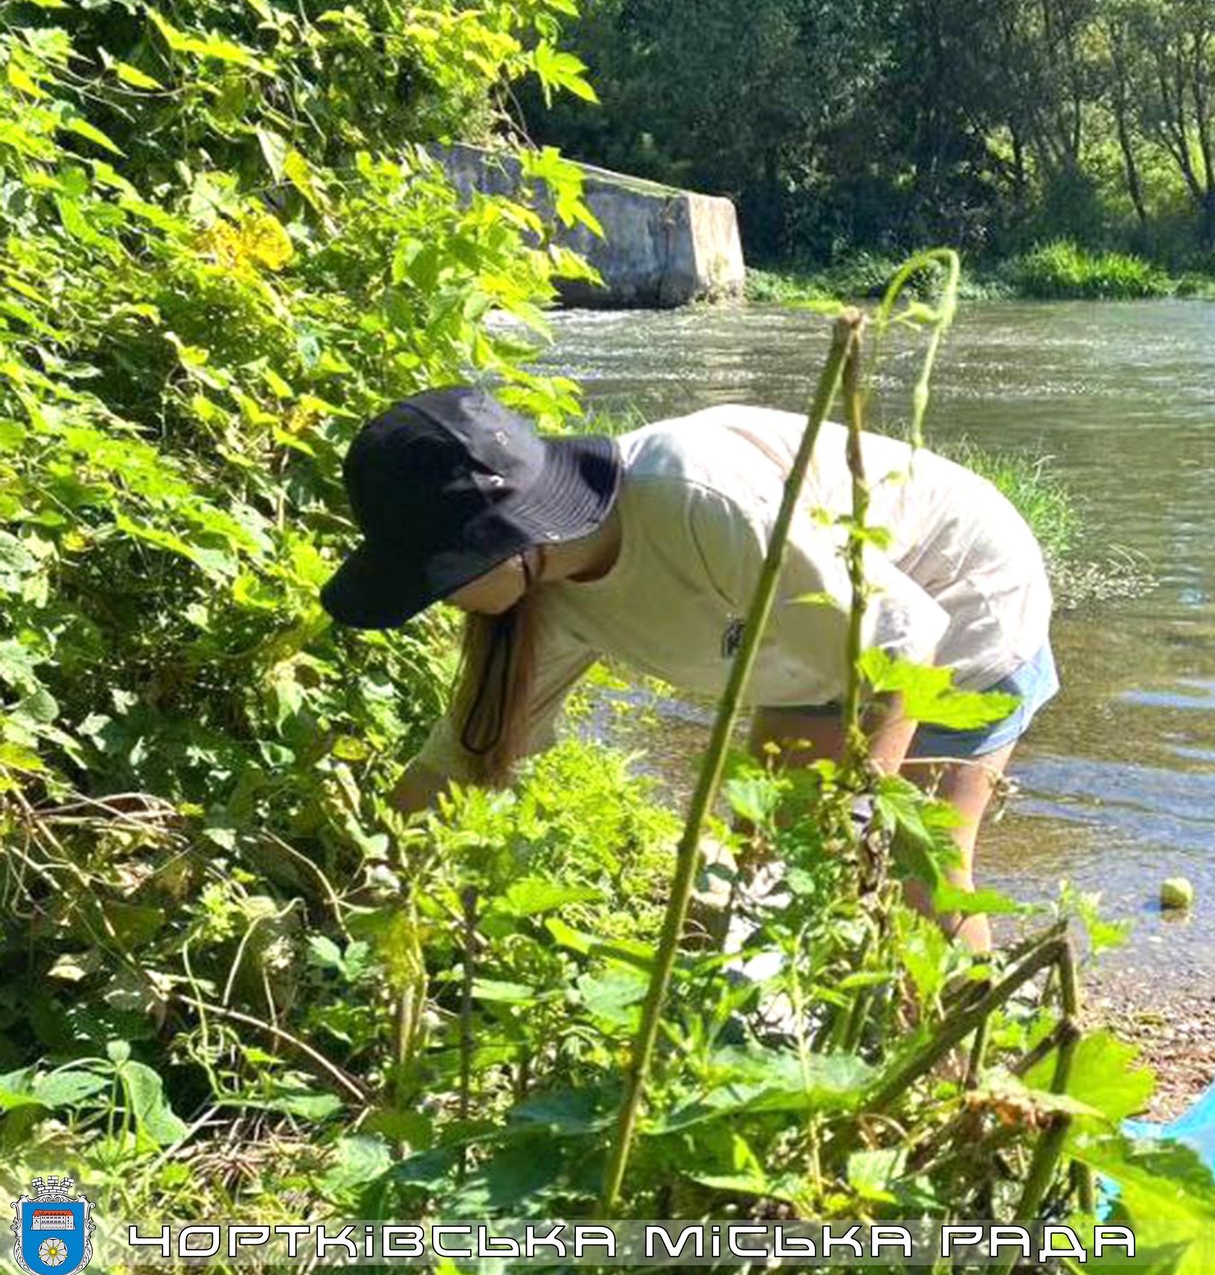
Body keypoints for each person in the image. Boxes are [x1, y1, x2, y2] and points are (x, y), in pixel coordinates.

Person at [320, 387, 1057, 951]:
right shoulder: (544, 598)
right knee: (756, 883)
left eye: (436, 579)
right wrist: (360, 886)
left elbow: (901, 639)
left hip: (959, 604)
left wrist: (861, 818)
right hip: (817, 647)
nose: (439, 604)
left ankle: (977, 1093)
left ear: (503, 542)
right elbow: (462, 758)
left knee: (913, 872)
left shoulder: (695, 499)